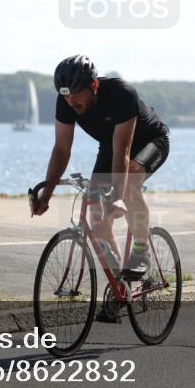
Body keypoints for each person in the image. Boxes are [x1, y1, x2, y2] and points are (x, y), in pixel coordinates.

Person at [31, 55, 170, 278]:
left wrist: (117, 196)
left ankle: (141, 252)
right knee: (96, 215)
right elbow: (61, 150)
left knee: (129, 182)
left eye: (77, 94)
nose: (71, 101)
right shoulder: (66, 101)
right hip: (110, 145)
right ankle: (119, 285)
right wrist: (46, 194)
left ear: (94, 85)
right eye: (66, 95)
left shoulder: (121, 94)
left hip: (150, 141)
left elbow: (122, 153)